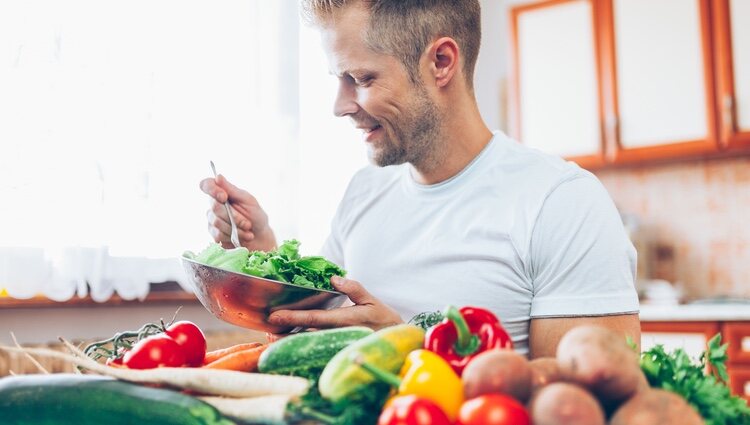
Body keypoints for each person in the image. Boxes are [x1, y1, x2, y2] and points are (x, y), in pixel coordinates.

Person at [200, 0, 640, 358]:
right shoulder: (362, 193)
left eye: (361, 78)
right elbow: (315, 328)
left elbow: (577, 407)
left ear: (441, 62)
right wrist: (265, 255)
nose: (340, 106)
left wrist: (408, 346)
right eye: (339, 80)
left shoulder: (561, 204)